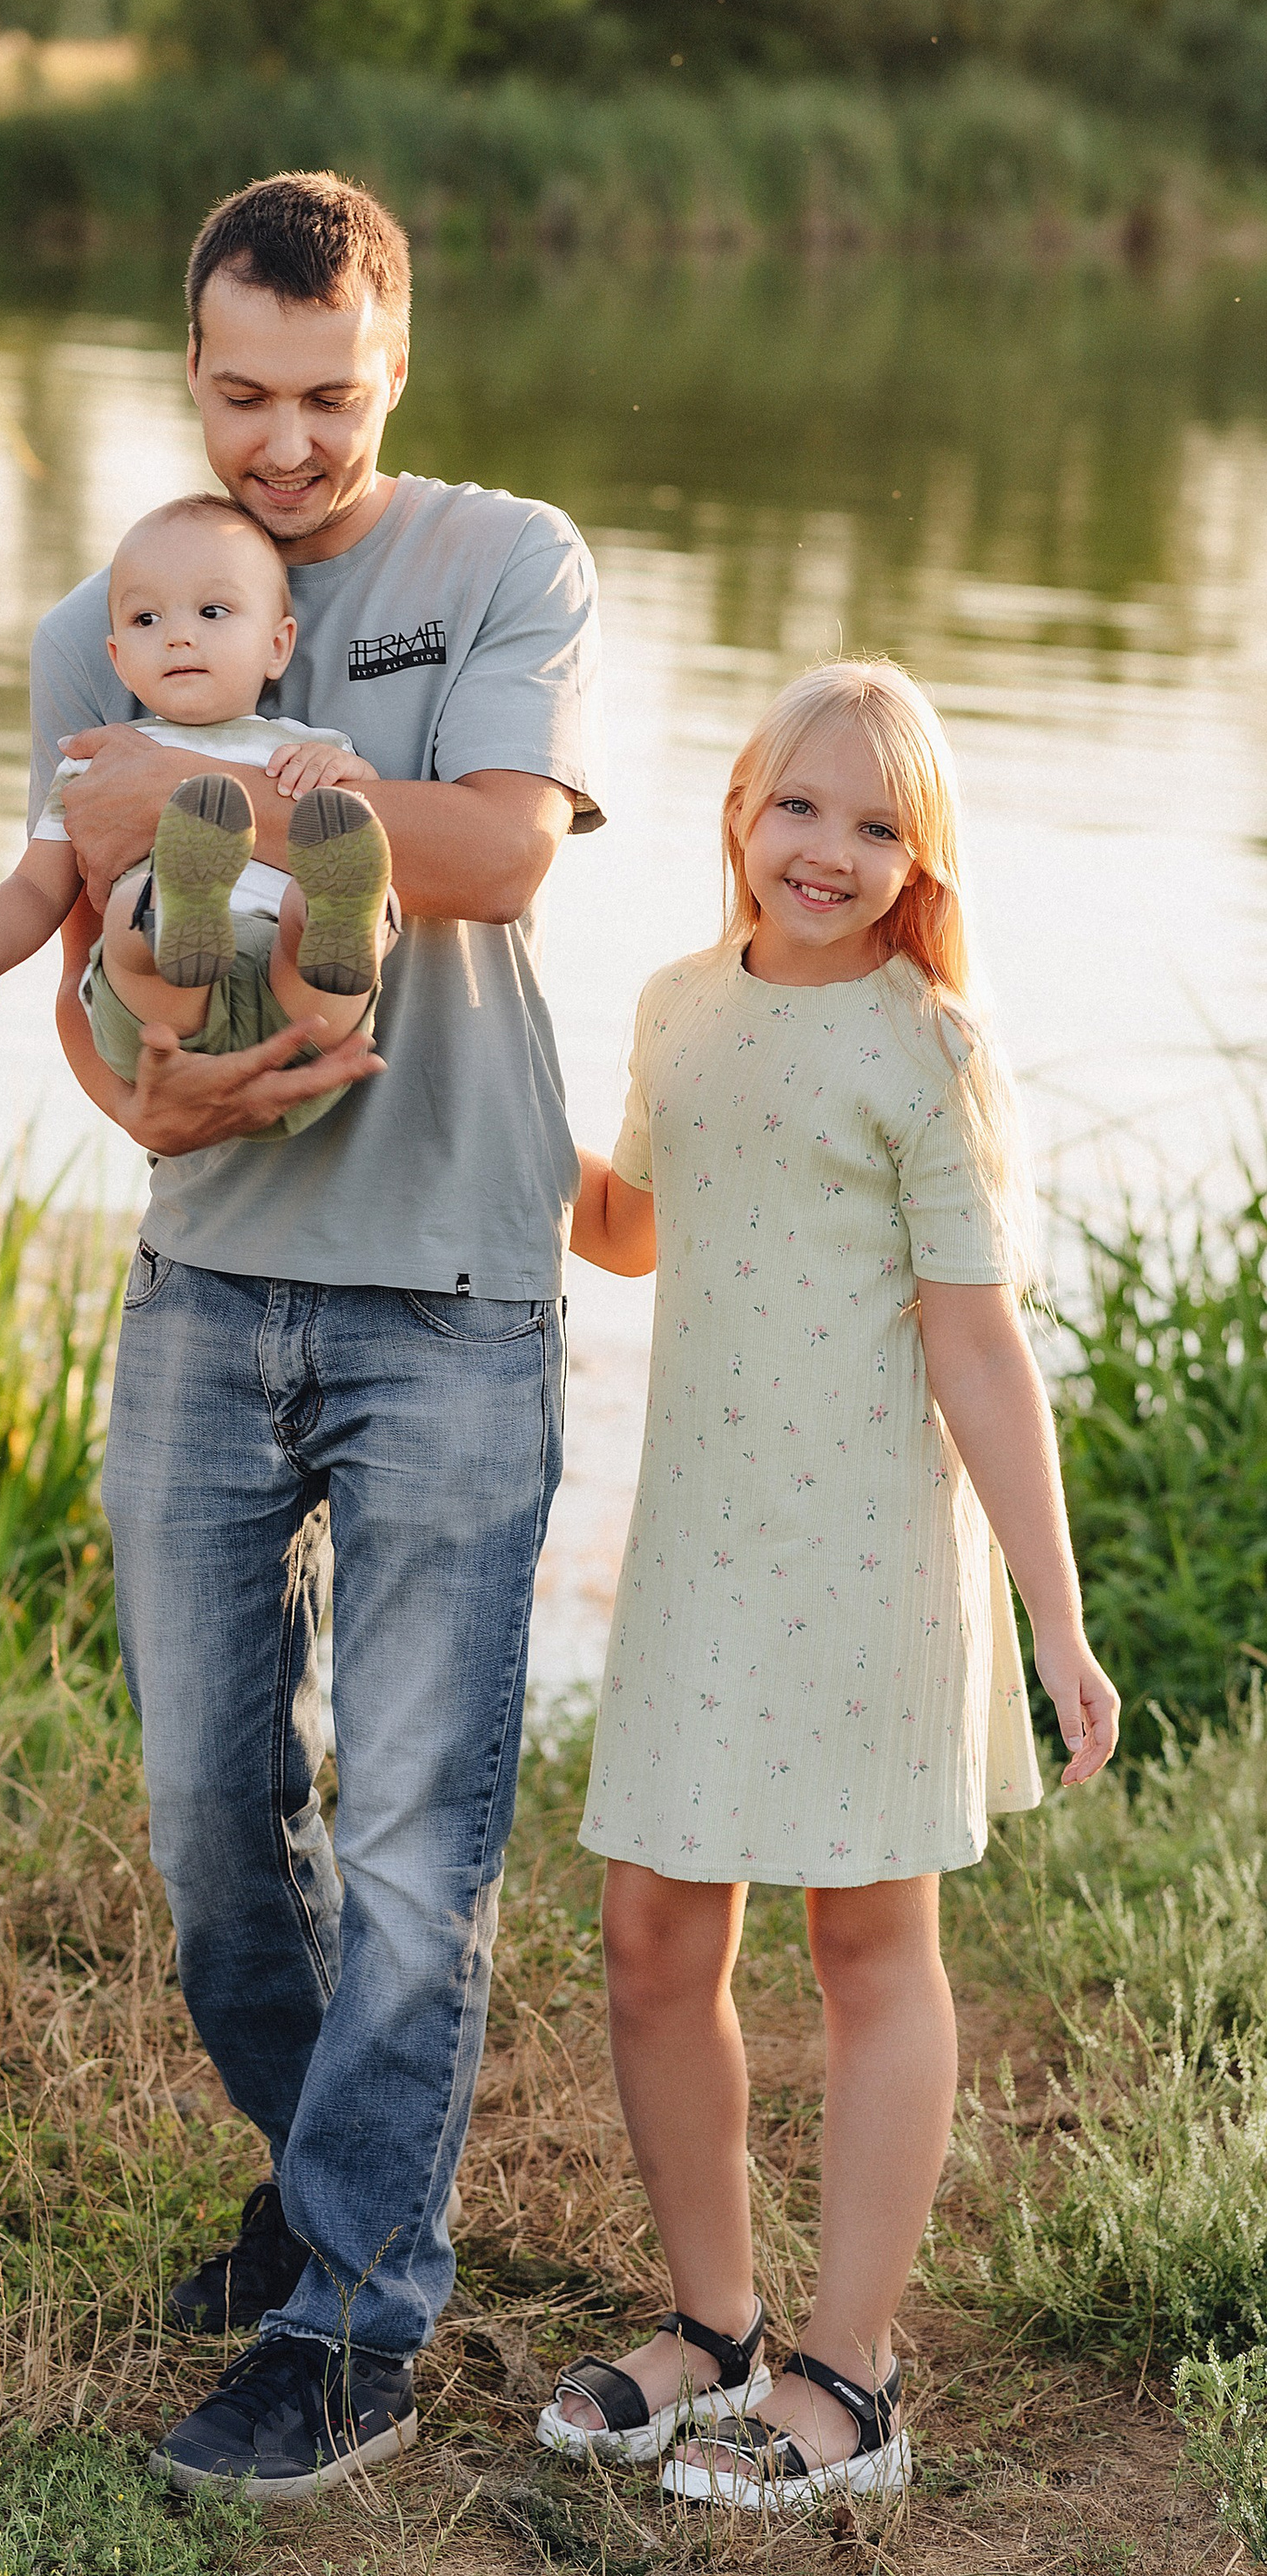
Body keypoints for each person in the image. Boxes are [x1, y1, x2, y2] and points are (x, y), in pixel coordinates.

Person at [30, 172, 604, 2501]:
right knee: (205, 1819)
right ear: (194, 369)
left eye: (329, 395)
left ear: (399, 366)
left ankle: (356, 2312)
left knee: (416, 1836)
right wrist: (137, 1082)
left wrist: (223, 778)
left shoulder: (503, 560)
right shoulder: (115, 600)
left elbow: (491, 854)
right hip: (207, 1270)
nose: (283, 446)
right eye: (242, 395)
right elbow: (90, 951)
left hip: (456, 1284)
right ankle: (322, 2166)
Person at [541, 657, 1119, 2514]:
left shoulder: (925, 1047)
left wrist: (1053, 1613)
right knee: (650, 1931)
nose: (828, 848)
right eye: (798, 804)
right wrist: (479, 1104)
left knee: (866, 1945)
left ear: (917, 857)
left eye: (878, 822)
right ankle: (710, 2322)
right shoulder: (674, 1009)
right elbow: (634, 1223)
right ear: (734, 810)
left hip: (872, 1553)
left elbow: (974, 1344)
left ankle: (849, 2374)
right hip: (702, 1543)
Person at [0, 492, 392, 1138]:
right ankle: (174, 910)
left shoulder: (312, 752)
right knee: (130, 916)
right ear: (118, 659)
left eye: (212, 611)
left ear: (277, 645)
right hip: (162, 1035)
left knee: (315, 910)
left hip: (298, 1017)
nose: (178, 634)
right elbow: (35, 885)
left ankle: (327, 924)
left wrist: (351, 781)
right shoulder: (104, 768)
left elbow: (374, 818)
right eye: (146, 619)